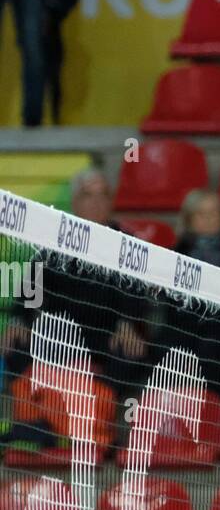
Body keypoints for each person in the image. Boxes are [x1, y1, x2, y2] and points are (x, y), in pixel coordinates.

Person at [2, 168, 152, 400]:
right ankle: (39, 411)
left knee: (132, 350)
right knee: (15, 344)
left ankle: (97, 406)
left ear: (111, 202)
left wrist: (128, 322)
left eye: (103, 195)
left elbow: (137, 295)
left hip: (107, 335)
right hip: (58, 335)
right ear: (74, 202)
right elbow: (30, 292)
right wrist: (19, 320)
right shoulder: (53, 244)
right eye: (88, 195)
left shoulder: (129, 245)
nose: (96, 203)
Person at [156, 188, 220, 396]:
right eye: (201, 214)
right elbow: (170, 305)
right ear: (189, 220)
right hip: (186, 326)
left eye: (214, 213)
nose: (209, 219)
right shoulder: (174, 255)